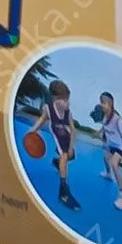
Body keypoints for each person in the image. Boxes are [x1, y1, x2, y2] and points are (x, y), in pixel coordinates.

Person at [25, 80, 80, 210]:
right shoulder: (48, 108)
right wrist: (33, 130)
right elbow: (42, 119)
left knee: (71, 156)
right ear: (55, 98)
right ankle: (63, 191)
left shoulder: (68, 112)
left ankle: (57, 162)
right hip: (56, 132)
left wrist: (71, 147)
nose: (67, 103)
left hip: (66, 133)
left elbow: (73, 130)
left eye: (68, 99)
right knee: (64, 155)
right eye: (64, 100)